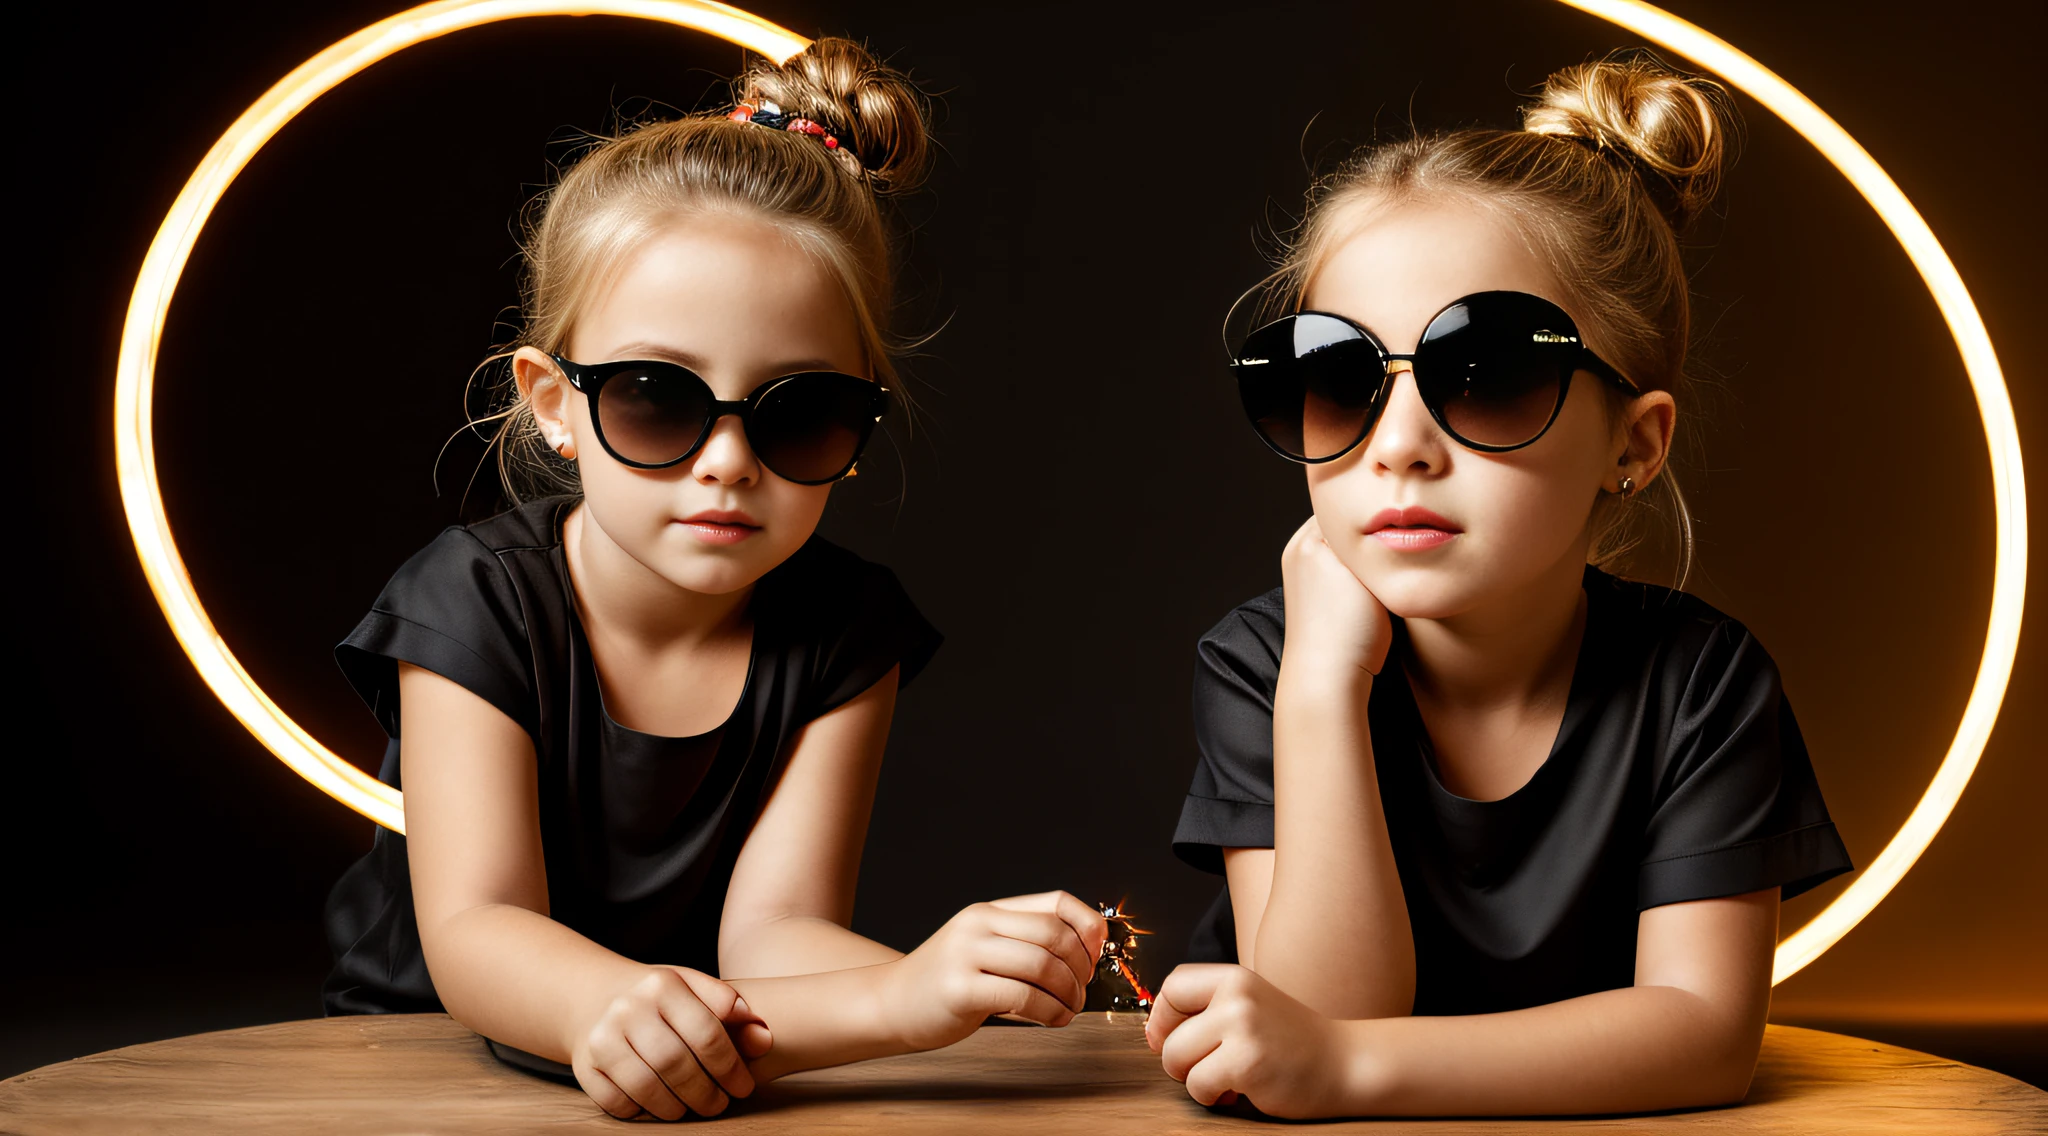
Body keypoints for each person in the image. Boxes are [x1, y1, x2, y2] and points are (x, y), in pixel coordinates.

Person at [321, 38, 1107, 1121]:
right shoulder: (474, 598)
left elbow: (774, 933)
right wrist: (633, 1004)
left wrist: (943, 977)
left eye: (799, 411)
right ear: (555, 402)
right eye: (656, 397)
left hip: (713, 1066)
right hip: (427, 1069)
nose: (728, 461)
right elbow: (476, 931)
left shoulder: (844, 628)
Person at [1151, 54, 1852, 1118]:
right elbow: (1310, 1027)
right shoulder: (1264, 663)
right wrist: (1319, 690)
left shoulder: (1700, 684)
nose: (1397, 447)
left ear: (1633, 439)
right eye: (1337, 379)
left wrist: (1353, 1067)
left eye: (1484, 375)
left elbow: (1702, 1035)